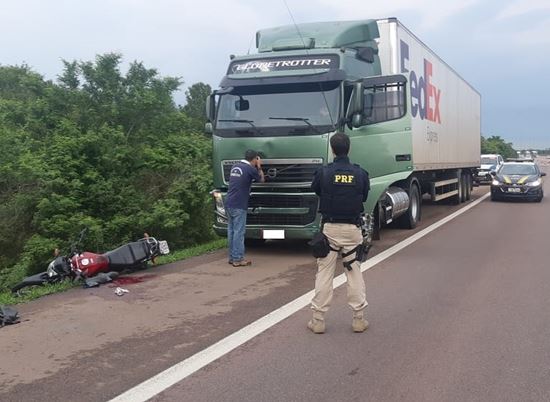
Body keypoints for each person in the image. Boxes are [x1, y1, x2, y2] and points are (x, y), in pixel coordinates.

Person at [308, 132, 370, 334]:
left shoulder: (324, 172)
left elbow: (316, 190)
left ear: (332, 150)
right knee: (354, 272)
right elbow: (364, 195)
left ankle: (318, 320)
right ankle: (358, 319)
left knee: (324, 273)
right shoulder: (360, 173)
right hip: (353, 230)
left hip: (330, 230)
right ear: (349, 149)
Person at [225, 149, 265, 267]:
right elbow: (262, 180)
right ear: (254, 159)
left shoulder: (235, 166)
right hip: (239, 204)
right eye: (256, 160)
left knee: (231, 231)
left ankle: (232, 257)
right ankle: (238, 259)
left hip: (229, 202)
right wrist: (259, 167)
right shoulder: (250, 169)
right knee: (239, 232)